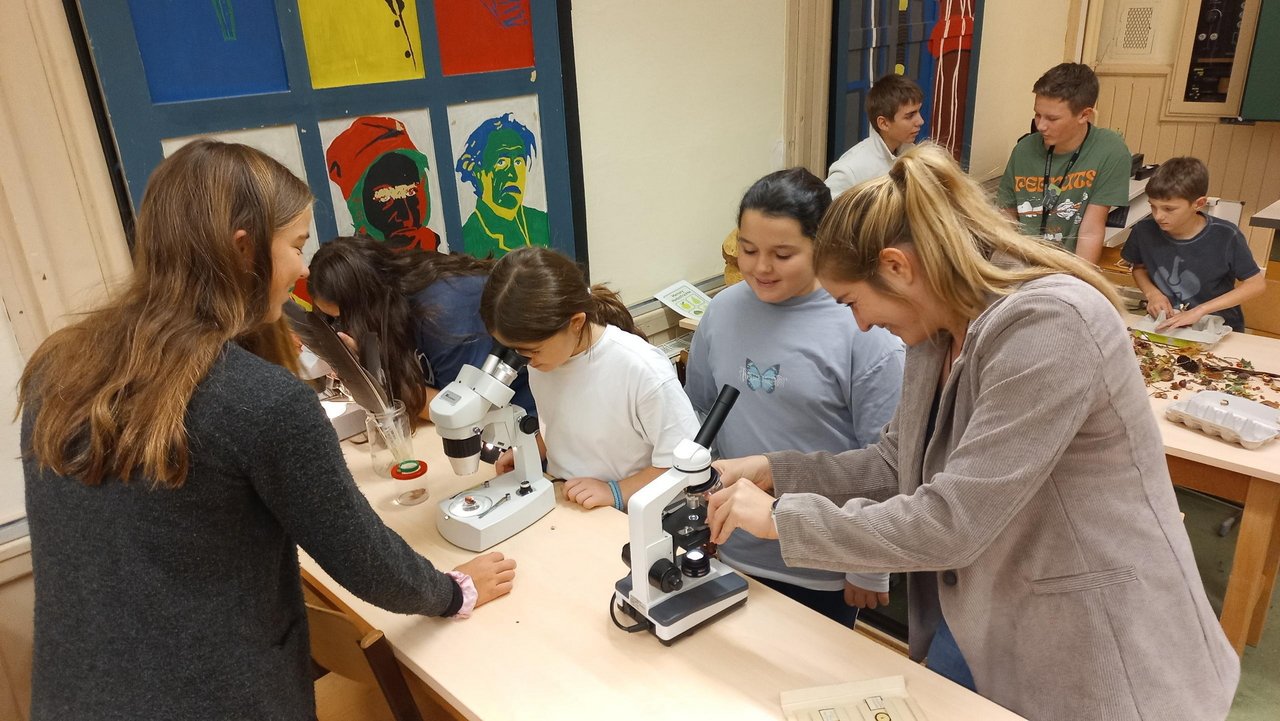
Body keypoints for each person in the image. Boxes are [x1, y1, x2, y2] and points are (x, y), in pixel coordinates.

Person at [707, 144, 1238, 721]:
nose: (858, 324)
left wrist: (781, 519)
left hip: (1095, 642)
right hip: (982, 612)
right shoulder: (935, 327)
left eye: (853, 302)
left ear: (897, 268)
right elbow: (895, 463)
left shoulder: (1049, 323)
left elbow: (952, 522)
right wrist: (774, 471)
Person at [18, 140, 517, 721]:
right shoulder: (261, 401)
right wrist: (455, 591)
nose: (304, 269)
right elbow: (366, 561)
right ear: (243, 249)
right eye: (297, 246)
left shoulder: (58, 366)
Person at [685, 168, 904, 626]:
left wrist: (870, 567)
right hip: (731, 545)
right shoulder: (722, 311)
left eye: (782, 254)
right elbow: (700, 413)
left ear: (821, 247)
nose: (761, 268)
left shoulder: (862, 325)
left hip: (823, 561)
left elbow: (887, 462)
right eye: (748, 250)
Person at [481, 247, 699, 511]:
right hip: (567, 499)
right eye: (515, 350)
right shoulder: (546, 360)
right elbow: (568, 424)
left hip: (628, 513)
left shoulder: (642, 369)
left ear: (576, 322)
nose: (525, 360)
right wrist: (533, 449)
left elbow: (687, 465)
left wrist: (615, 491)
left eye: (532, 350)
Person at [307, 235, 536, 420]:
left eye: (343, 319)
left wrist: (369, 371)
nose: (343, 329)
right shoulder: (391, 305)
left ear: (365, 306)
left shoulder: (443, 309)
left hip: (525, 427)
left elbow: (460, 413)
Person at [997, 62, 1131, 264]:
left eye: (1052, 118)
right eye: (1037, 115)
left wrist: (1080, 279)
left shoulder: (1110, 150)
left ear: (1084, 115)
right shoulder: (1023, 150)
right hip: (1022, 261)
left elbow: (1091, 229)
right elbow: (1006, 219)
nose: (1041, 126)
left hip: (1069, 265)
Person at [1121, 156, 1263, 333]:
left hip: (1219, 328)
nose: (1158, 216)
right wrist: (1152, 294)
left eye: (1169, 209)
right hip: (1167, 325)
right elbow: (1139, 268)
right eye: (1153, 206)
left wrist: (1200, 311)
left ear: (1199, 204)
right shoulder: (1143, 231)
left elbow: (1256, 284)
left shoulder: (1226, 235)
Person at [326, 115, 441, 251]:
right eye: (384, 197)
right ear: (358, 205)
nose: (405, 215)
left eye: (411, 192)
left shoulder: (436, 254)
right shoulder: (356, 263)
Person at [455, 112, 551, 258]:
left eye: (518, 162)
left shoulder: (542, 222)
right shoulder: (469, 239)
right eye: (501, 162)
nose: (513, 174)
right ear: (478, 172)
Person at [825, 73, 925, 198]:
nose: (920, 121)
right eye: (910, 116)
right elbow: (826, 209)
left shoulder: (913, 154)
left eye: (919, 111)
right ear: (883, 123)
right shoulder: (849, 170)